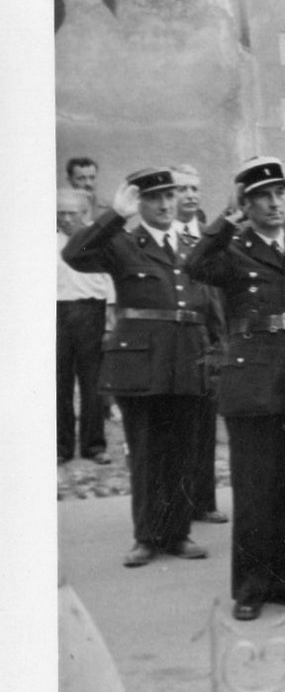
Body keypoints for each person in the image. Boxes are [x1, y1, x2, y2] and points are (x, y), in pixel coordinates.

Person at [187, 157, 285, 619]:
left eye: (279, 194)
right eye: (261, 197)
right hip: (253, 383)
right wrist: (226, 220)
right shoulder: (232, 251)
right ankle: (251, 587)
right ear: (245, 204)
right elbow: (194, 264)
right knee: (255, 491)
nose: (273, 204)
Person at [64, 168, 222, 567]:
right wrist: (115, 215)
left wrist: (217, 353)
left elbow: (210, 303)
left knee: (184, 451)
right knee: (147, 451)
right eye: (154, 198)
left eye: (170, 196)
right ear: (139, 203)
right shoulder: (122, 242)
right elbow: (74, 254)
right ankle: (147, 536)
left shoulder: (193, 244)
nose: (165, 205)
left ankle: (178, 533)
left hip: (189, 357)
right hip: (141, 362)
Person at [170, 164, 225, 523]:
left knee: (205, 425)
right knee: (176, 426)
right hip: (175, 340)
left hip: (209, 338)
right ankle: (177, 503)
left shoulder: (209, 238)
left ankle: (204, 501)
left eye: (194, 188)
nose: (190, 195)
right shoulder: (165, 239)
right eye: (182, 189)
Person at [57, 188, 113, 466]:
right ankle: (61, 446)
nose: (65, 219)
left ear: (85, 212)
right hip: (56, 313)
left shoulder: (98, 240)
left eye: (71, 213)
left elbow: (112, 281)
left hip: (92, 311)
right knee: (59, 382)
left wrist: (111, 322)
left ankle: (93, 445)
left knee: (92, 382)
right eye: (60, 213)